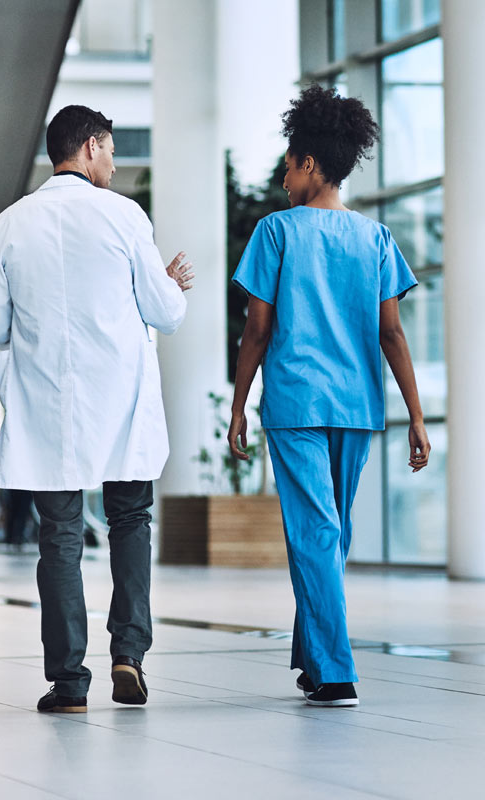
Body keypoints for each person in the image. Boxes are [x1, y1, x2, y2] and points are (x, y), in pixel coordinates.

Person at [0, 105, 192, 712]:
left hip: (49, 407)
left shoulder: (7, 225)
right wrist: (168, 283)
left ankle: (68, 683)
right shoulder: (124, 216)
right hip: (121, 404)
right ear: (91, 146)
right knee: (130, 522)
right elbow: (165, 311)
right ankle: (129, 654)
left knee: (60, 538)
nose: (115, 164)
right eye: (113, 151)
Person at [228, 85, 430, 707]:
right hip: (357, 406)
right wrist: (415, 419)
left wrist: (237, 405)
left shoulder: (275, 232)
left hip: (295, 405)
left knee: (317, 535)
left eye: (289, 166)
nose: (285, 179)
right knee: (329, 537)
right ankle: (314, 660)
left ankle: (337, 672)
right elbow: (391, 333)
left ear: (310, 164)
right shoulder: (375, 240)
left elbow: (257, 329)